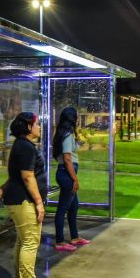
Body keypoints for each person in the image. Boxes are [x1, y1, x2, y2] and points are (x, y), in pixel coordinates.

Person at [0, 112, 51, 278]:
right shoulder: (25, 147)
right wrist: (39, 203)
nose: (39, 127)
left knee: (23, 240)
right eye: (36, 124)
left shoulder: (22, 145)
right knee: (30, 241)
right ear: (28, 127)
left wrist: (3, 187)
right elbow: (27, 177)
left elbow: (16, 175)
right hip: (23, 200)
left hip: (19, 199)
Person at [51, 107, 90, 252]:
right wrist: (75, 179)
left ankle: (74, 237)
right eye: (77, 117)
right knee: (63, 208)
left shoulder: (64, 134)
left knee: (73, 207)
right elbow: (67, 159)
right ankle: (60, 241)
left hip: (66, 173)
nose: (78, 119)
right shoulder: (67, 135)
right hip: (67, 174)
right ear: (72, 118)